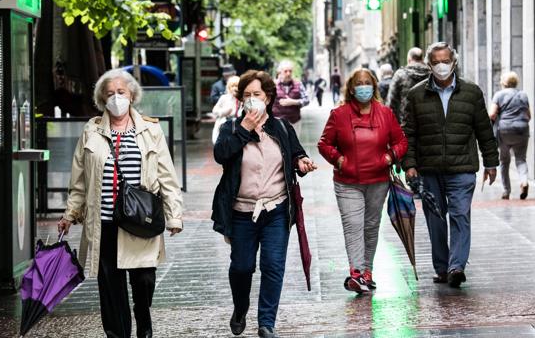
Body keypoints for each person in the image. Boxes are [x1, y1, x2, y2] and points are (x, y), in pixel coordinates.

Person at [58, 69, 183, 338]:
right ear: (102, 99)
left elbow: (167, 177)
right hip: (104, 223)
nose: (116, 98)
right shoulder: (91, 131)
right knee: (111, 288)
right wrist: (70, 214)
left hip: (141, 220)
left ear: (132, 95)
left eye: (121, 92)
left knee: (144, 280)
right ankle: (118, 334)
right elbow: (79, 180)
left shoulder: (151, 130)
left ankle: (143, 317)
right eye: (110, 93)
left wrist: (174, 215)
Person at [212, 70, 317, 338]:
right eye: (246, 95)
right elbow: (221, 154)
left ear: (268, 97)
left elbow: (296, 155)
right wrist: (245, 128)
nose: (251, 99)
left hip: (276, 210)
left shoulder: (281, 127)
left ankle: (266, 323)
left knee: (273, 266)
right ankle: (240, 308)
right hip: (241, 212)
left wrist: (302, 163)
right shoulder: (231, 128)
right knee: (242, 267)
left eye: (256, 94)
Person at [402, 42, 498, 288]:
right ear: (429, 65)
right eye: (436, 62)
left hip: (462, 168)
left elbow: (484, 129)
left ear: (454, 62)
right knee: (435, 219)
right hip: (429, 169)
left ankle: (457, 267)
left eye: (446, 61)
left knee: (460, 215)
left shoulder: (472, 92)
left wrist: (491, 162)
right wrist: (409, 164)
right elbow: (408, 133)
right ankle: (442, 268)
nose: (441, 66)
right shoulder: (416, 95)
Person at [317, 68, 407, 294]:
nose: (363, 87)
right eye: (359, 83)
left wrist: (389, 157)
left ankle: (367, 272)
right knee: (353, 225)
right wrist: (339, 160)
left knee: (371, 226)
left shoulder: (385, 113)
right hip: (347, 182)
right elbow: (324, 144)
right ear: (351, 88)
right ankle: (356, 273)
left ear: (374, 86)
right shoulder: (339, 115)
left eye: (367, 82)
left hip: (378, 180)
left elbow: (401, 142)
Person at [488, 71, 531, 200]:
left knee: (504, 161)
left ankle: (506, 191)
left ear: (503, 82)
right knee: (521, 159)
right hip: (522, 129)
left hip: (505, 130)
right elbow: (529, 116)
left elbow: (492, 114)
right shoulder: (523, 95)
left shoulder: (499, 95)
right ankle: (524, 181)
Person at [385, 47, 431, 125]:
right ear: (422, 59)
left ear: (409, 59)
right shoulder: (431, 74)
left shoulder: (400, 74)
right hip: (428, 121)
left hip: (406, 122)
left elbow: (391, 101)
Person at [271, 60, 310, 136]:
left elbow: (307, 100)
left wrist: (293, 102)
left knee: (293, 143)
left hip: (294, 122)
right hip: (277, 123)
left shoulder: (298, 84)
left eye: (290, 71)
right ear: (280, 72)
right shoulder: (273, 85)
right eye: (285, 71)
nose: (288, 73)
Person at [212, 75, 241, 144]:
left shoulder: (242, 99)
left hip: (237, 127)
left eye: (237, 86)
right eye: (232, 86)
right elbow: (214, 110)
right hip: (224, 125)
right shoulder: (224, 98)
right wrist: (224, 112)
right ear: (229, 87)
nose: (235, 88)